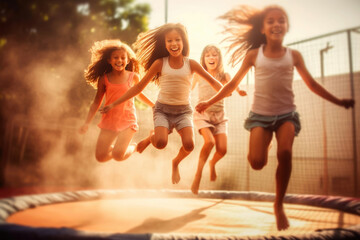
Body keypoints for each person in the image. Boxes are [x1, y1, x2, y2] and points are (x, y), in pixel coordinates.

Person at [195, 5, 354, 231]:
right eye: (271, 21)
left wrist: (339, 101)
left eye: (281, 20)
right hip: (260, 116)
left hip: (286, 115)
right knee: (257, 163)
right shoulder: (253, 55)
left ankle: (278, 205)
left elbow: (312, 84)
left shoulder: (294, 56)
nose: (276, 24)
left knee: (286, 153)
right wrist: (208, 102)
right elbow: (231, 84)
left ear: (286, 27)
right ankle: (266, 142)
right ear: (262, 28)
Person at [100, 23, 223, 184]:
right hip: (163, 110)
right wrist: (113, 103)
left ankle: (175, 163)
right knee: (160, 143)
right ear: (164, 44)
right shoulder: (160, 63)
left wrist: (222, 93)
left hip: (183, 111)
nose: (174, 44)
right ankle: (151, 138)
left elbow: (217, 85)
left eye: (177, 40)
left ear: (184, 42)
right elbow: (137, 87)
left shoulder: (191, 64)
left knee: (189, 145)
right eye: (169, 41)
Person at [79, 39, 154, 163]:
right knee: (101, 157)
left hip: (127, 120)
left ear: (128, 60)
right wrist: (87, 122)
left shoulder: (133, 76)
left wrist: (153, 105)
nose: (119, 60)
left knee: (118, 156)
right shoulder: (104, 79)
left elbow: (139, 94)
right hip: (110, 121)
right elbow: (96, 102)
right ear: (109, 60)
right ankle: (117, 150)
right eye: (115, 57)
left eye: (123, 58)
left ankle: (135, 147)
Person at [191, 44, 247, 194]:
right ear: (203, 59)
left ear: (219, 58)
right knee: (210, 142)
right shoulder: (199, 74)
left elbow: (235, 85)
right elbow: (187, 88)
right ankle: (198, 175)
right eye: (208, 55)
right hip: (202, 114)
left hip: (220, 117)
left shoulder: (224, 76)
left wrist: (240, 91)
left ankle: (212, 163)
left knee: (222, 150)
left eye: (214, 55)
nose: (211, 57)